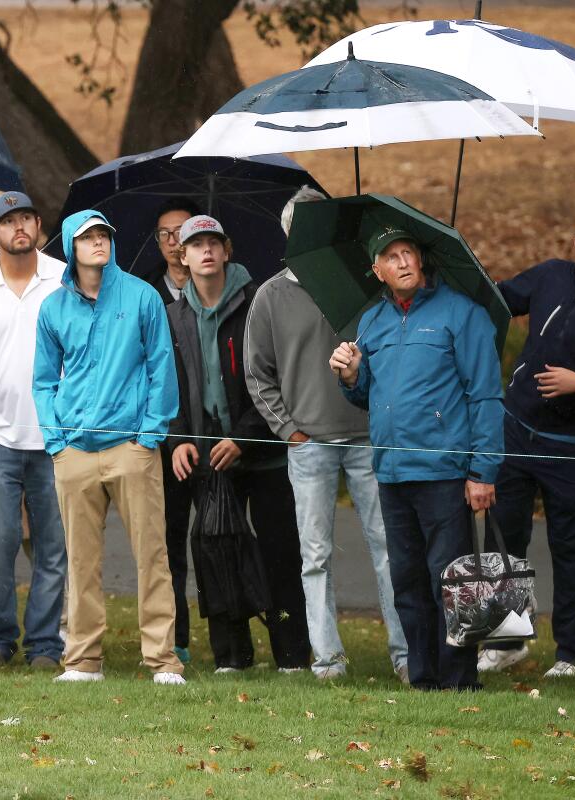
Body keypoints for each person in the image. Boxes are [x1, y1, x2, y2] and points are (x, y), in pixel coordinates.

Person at [244, 187, 408, 682]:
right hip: (308, 443)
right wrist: (288, 430)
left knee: (387, 549)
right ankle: (328, 660)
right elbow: (258, 373)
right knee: (314, 555)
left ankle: (404, 655)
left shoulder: (366, 284)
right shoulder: (271, 295)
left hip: (367, 438)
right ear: (291, 232)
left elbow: (391, 354)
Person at [330, 226, 503, 691]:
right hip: (390, 471)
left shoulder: (462, 315)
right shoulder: (372, 323)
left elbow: (485, 397)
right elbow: (368, 395)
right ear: (377, 269)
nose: (403, 261)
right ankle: (424, 677)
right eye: (391, 255)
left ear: (421, 261)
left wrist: (483, 470)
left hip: (446, 472)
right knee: (406, 581)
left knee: (451, 580)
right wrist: (350, 376)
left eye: (409, 252)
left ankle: (460, 679)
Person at [32, 209, 184, 686]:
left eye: (104, 235)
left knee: (152, 555)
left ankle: (162, 659)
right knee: (80, 559)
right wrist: (55, 440)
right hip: (74, 450)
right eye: (87, 237)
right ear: (71, 248)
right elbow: (42, 381)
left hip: (131, 448)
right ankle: (82, 660)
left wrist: (149, 436)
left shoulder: (142, 296)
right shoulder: (54, 307)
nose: (98, 242)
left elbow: (162, 366)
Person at [479, 211, 575, 678]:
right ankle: (505, 640)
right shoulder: (548, 277)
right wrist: (469, 274)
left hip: (572, 446)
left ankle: (574, 654)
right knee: (503, 538)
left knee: (571, 547)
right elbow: (498, 301)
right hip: (516, 431)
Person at [166, 215, 311, 674]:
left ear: (227, 251)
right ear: (182, 257)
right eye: (196, 245)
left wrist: (243, 438)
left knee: (279, 554)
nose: (206, 251)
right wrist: (178, 441)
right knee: (216, 551)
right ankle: (232, 655)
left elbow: (277, 379)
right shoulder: (174, 315)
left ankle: (291, 653)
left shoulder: (258, 303)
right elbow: (166, 384)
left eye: (214, 242)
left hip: (262, 450)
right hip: (206, 455)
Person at [0, 191, 68, 670]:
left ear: (38, 224)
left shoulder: (64, 280)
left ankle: (46, 645)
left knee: (54, 547)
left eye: (26, 219)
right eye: (8, 221)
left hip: (56, 438)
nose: (19, 228)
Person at [136, 197, 203, 663]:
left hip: (212, 435)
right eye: (166, 233)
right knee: (169, 543)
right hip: (163, 440)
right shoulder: (144, 296)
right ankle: (175, 637)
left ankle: (230, 642)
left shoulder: (216, 290)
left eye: (183, 232)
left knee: (221, 538)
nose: (175, 241)